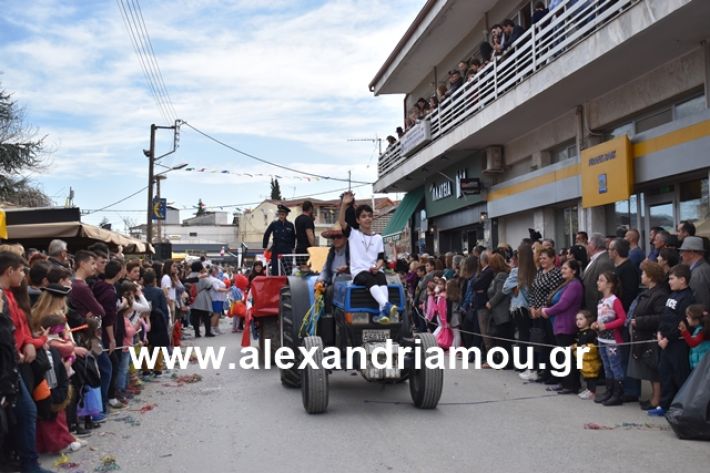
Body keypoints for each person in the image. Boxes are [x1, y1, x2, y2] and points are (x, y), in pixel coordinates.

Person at [338, 191, 397, 324]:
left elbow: (381, 257)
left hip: (374, 270)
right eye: (363, 216)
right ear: (358, 220)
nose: (367, 219)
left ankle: (383, 312)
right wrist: (344, 205)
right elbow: (341, 222)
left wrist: (378, 266)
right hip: (359, 272)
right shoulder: (353, 234)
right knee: (369, 278)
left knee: (382, 277)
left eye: (370, 216)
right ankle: (387, 305)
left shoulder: (378, 238)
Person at [651, 264, 695, 416]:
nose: (669, 281)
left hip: (678, 343)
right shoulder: (672, 295)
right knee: (665, 374)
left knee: (679, 375)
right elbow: (665, 316)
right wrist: (659, 332)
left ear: (682, 280)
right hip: (664, 341)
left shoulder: (688, 298)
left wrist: (668, 338)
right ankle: (664, 405)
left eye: (672, 278)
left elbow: (682, 323)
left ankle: (682, 407)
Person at [627, 262, 668, 411]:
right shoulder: (649, 292)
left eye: (644, 273)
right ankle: (653, 397)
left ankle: (656, 399)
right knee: (650, 371)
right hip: (644, 335)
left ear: (651, 276)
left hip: (651, 335)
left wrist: (639, 321)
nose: (641, 276)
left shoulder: (660, 295)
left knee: (654, 371)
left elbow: (660, 317)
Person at [541, 260, 584, 394]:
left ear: (574, 271)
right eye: (562, 268)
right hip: (560, 323)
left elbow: (563, 304)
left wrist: (547, 311)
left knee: (567, 356)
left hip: (566, 323)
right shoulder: (568, 284)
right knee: (562, 355)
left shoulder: (574, 285)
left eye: (565, 268)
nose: (562, 271)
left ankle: (571, 384)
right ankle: (564, 381)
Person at [592, 271, 627, 406]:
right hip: (602, 338)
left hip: (613, 340)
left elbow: (622, 319)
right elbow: (600, 317)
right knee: (606, 365)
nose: (598, 283)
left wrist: (606, 326)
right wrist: (596, 324)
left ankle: (618, 394)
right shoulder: (601, 301)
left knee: (615, 365)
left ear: (610, 284)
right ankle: (609, 390)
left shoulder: (615, 300)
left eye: (601, 280)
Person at [582, 233, 613, 319]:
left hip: (597, 311)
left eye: (588, 243)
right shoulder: (594, 259)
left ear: (593, 246)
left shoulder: (604, 262)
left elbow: (604, 289)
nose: (587, 246)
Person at [573, 310, 601, 400]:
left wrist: (587, 346)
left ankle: (592, 392)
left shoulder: (591, 333)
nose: (578, 321)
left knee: (591, 375)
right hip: (583, 359)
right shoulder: (579, 332)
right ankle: (588, 389)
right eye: (577, 319)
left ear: (588, 320)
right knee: (586, 375)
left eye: (581, 319)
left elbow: (594, 346)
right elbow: (579, 344)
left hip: (590, 360)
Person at [262, 204, 296, 276]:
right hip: (276, 250)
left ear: (286, 215)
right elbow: (267, 234)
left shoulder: (290, 225)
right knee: (276, 271)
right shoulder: (274, 224)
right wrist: (265, 246)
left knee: (288, 271)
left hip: (287, 250)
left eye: (283, 214)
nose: (281, 216)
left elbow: (293, 237)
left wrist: (292, 247)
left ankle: (287, 285)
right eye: (280, 214)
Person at [678, 236, 710, 310]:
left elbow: (701, 304)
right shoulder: (704, 267)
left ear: (691, 253)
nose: (681, 255)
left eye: (683, 251)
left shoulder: (697, 274)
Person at [679, 304, 710, 370]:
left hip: (704, 365)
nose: (686, 319)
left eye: (688, 317)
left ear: (695, 318)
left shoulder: (704, 330)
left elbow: (693, 343)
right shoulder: (700, 329)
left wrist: (684, 331)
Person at [295, 201, 316, 269]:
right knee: (308, 271)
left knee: (300, 271)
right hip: (306, 250)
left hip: (298, 249)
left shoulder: (297, 219)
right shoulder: (308, 220)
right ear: (310, 209)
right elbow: (310, 235)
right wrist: (314, 248)